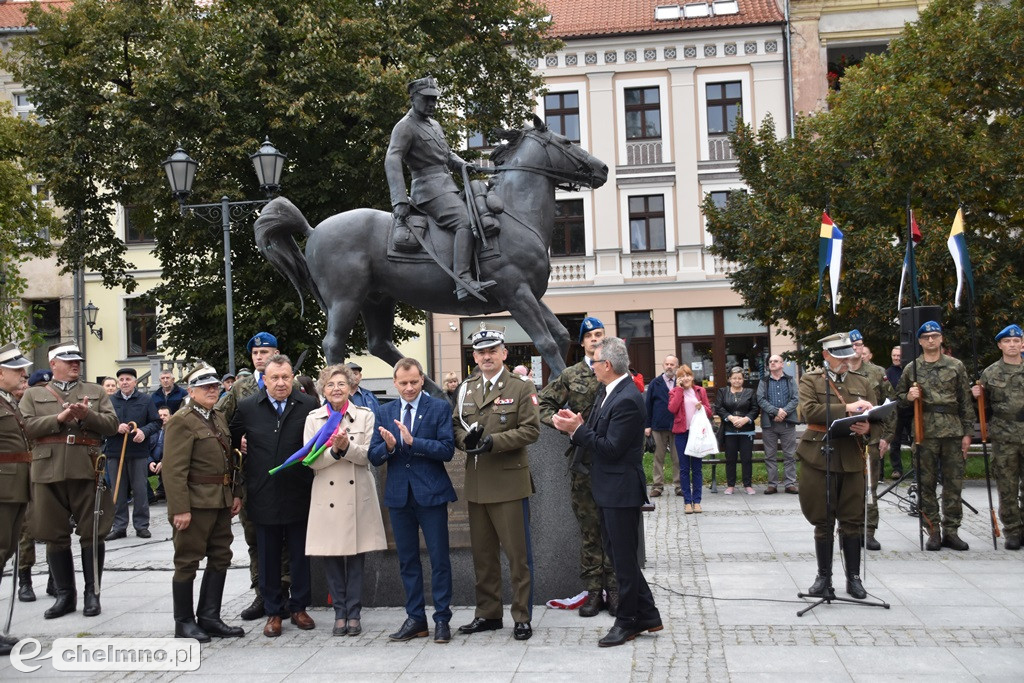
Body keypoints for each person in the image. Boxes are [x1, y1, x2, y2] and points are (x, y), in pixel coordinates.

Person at [551, 336, 662, 647]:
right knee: (618, 554)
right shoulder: (609, 390)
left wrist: (576, 430)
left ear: (608, 365)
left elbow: (611, 448)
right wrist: (578, 425)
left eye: (596, 362)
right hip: (608, 487)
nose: (593, 366)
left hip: (621, 489)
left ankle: (628, 621)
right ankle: (649, 614)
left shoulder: (627, 397)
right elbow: (599, 430)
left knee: (623, 561)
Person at [454, 323, 540, 641]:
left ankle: (521, 615)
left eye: (493, 350)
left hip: (508, 482)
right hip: (477, 483)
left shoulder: (520, 387)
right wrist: (468, 441)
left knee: (518, 555)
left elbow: (531, 430)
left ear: (504, 353)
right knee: (484, 555)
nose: (487, 356)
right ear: (474, 356)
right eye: (481, 351)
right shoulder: (466, 388)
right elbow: (456, 425)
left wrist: (493, 441)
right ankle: (488, 613)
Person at [21, 340, 118, 618]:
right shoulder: (33, 394)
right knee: (54, 534)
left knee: (93, 531)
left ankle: (92, 593)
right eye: (68, 360)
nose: (75, 364)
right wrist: (60, 417)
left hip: (85, 467)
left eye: (77, 360)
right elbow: (27, 428)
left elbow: (111, 426)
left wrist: (88, 415)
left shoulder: (95, 391)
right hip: (47, 469)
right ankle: (65, 595)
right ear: (53, 364)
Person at [229, 353, 318, 637]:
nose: (281, 383)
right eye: (275, 378)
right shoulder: (247, 407)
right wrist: (239, 448)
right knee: (267, 556)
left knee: (299, 555)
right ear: (264, 380)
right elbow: (230, 439)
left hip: (299, 490)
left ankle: (299, 607)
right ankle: (273, 611)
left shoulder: (308, 405)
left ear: (293, 378)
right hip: (262, 492)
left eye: (286, 377)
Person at [369, 358, 456, 644]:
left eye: (414, 382)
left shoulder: (439, 407)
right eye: (403, 383)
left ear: (422, 380)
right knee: (408, 561)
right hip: (398, 496)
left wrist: (412, 442)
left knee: (439, 559)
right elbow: (374, 455)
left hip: (430, 495)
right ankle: (415, 619)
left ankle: (442, 619)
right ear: (394, 383)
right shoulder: (384, 411)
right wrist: (390, 447)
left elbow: (446, 450)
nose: (409, 388)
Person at [385, 75, 495, 301]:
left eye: (435, 99)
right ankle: (463, 280)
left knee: (479, 209)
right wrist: (399, 200)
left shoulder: (434, 125)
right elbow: (392, 159)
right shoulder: (405, 127)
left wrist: (463, 164)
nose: (432, 104)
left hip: (447, 185)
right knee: (465, 221)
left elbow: (446, 154)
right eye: (427, 99)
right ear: (414, 98)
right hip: (427, 189)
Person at [537, 316, 617, 618]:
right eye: (590, 336)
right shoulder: (571, 375)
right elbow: (543, 403)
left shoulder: (616, 370)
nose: (596, 339)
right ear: (582, 342)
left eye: (600, 334)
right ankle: (594, 591)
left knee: (614, 528)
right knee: (590, 529)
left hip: (613, 460)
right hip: (584, 462)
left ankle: (616, 589)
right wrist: (563, 425)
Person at [216, 331, 294, 621]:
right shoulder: (241, 388)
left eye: (266, 352)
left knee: (286, 536)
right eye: (256, 354)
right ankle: (262, 592)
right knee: (254, 535)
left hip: (286, 471)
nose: (260, 357)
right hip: (252, 474)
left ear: (277, 354)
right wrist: (238, 441)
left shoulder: (292, 384)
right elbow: (221, 422)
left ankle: (285, 591)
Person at [163, 364, 244, 642]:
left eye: (214, 385)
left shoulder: (217, 417)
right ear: (191, 390)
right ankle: (184, 621)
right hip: (195, 503)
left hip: (220, 499)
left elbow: (231, 458)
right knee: (187, 560)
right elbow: (174, 470)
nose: (212, 390)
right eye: (205, 386)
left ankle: (209, 617)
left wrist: (236, 493)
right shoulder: (181, 420)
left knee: (221, 556)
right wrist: (180, 509)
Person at [305, 364, 386, 637]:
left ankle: (354, 612)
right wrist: (335, 453)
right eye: (330, 385)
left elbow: (367, 456)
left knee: (356, 558)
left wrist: (346, 448)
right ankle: (339, 612)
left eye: (341, 384)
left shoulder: (365, 415)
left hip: (357, 494)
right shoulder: (313, 419)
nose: (336, 389)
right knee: (331, 557)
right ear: (323, 389)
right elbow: (311, 462)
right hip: (326, 495)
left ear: (351, 387)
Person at [796, 333, 874, 600]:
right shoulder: (810, 380)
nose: (845, 362)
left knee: (852, 520)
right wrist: (847, 408)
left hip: (852, 456)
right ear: (826, 356)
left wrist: (869, 427)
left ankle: (854, 578)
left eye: (848, 356)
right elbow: (808, 411)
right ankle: (824, 576)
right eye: (839, 357)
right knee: (823, 519)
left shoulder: (861, 381)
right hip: (819, 456)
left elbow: (877, 418)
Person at [895, 321, 975, 551]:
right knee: (925, 484)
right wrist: (909, 396)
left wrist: (968, 433)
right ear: (920, 341)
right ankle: (933, 530)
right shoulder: (913, 368)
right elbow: (898, 398)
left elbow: (965, 401)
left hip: (952, 430)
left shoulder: (956, 366)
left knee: (953, 483)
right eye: (926, 337)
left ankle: (952, 531)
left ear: (941, 339)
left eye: (935, 336)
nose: (931, 340)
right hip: (924, 430)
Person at [972, 324, 1024, 550]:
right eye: (1008, 342)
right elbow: (982, 409)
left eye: (1016, 341)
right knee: (1007, 485)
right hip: (1004, 436)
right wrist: (976, 397)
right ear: (1000, 345)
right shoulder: (991, 373)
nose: (1012, 345)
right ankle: (1012, 530)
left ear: (1022, 343)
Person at [0, 342, 34, 655]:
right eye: (16, 369)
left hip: (14, 490)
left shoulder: (8, 401)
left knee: (5, 552)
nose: (23, 373)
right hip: (3, 491)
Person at [103, 368, 161, 541]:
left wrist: (143, 431)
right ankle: (119, 526)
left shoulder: (145, 400)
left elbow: (156, 422)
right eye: (121, 379)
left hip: (138, 452)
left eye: (128, 379)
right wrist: (115, 427)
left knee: (140, 490)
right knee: (118, 491)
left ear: (135, 382)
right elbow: (101, 424)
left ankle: (141, 525)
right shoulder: (109, 401)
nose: (124, 382)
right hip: (115, 452)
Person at [848, 330, 892, 550]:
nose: (857, 348)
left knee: (870, 488)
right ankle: (848, 530)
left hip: (871, 438)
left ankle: (869, 531)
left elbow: (889, 406)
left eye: (860, 344)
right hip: (845, 440)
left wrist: (885, 437)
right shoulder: (839, 372)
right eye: (852, 344)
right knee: (847, 488)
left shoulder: (876, 373)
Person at [667, 364, 713, 514]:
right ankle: (687, 501)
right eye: (681, 376)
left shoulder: (700, 391)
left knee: (697, 468)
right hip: (682, 433)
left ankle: (697, 501)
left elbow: (709, 411)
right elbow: (672, 409)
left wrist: (702, 408)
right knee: (684, 468)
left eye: (687, 375)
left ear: (692, 377)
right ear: (678, 379)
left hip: (697, 434)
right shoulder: (674, 392)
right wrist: (680, 389)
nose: (685, 378)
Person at [756, 355, 800, 495]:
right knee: (770, 455)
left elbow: (795, 399)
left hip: (788, 424)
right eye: (770, 361)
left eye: (775, 361)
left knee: (789, 455)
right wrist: (775, 411)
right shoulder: (764, 381)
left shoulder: (790, 380)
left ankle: (790, 483)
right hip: (769, 424)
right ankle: (772, 484)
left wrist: (784, 412)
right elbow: (760, 399)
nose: (772, 363)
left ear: (782, 364)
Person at [715, 368, 758, 495]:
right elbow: (719, 408)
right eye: (734, 378)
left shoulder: (750, 392)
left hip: (747, 431)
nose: (737, 380)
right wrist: (731, 418)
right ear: (729, 379)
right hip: (729, 430)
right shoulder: (722, 391)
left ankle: (748, 484)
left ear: (743, 379)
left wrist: (746, 419)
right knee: (730, 458)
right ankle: (730, 485)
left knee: (746, 458)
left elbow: (755, 409)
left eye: (739, 378)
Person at [645, 355, 681, 498]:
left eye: (672, 364)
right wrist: (647, 425)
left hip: (677, 426)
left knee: (677, 458)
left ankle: (679, 486)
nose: (669, 366)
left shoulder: (680, 382)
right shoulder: (655, 383)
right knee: (658, 458)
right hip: (658, 426)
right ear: (663, 365)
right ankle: (657, 486)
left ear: (677, 366)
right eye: (667, 364)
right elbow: (648, 405)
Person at [885, 346, 911, 478]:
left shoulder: (909, 370)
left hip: (910, 411)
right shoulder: (888, 373)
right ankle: (897, 469)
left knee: (916, 440)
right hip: (896, 413)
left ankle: (917, 469)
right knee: (895, 442)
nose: (896, 358)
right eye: (894, 355)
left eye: (898, 356)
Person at [149, 406, 171, 502]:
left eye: (165, 415)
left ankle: (164, 492)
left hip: (167, 462)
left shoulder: (175, 431)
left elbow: (175, 451)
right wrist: (149, 462)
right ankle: (149, 496)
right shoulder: (151, 430)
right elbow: (144, 449)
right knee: (136, 469)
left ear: (171, 416)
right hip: (151, 462)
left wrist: (163, 462)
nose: (162, 417)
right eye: (160, 415)